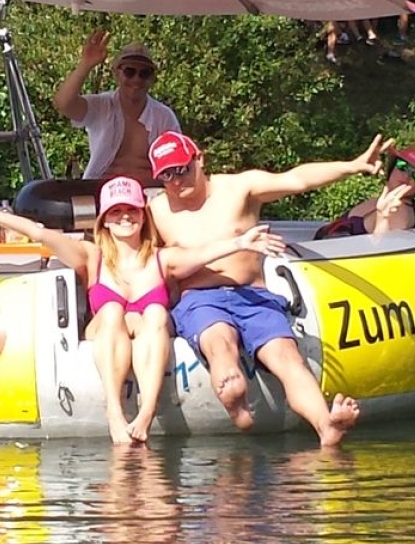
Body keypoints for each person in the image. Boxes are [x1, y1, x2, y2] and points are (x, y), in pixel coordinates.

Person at [0, 176, 285, 444]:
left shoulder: (162, 258)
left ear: (142, 216)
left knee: (155, 314)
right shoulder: (91, 255)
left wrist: (241, 242)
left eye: (132, 210)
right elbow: (40, 233)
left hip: (150, 330)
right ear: (105, 220)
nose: (125, 217)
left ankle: (146, 412)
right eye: (116, 211)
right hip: (107, 330)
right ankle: (114, 411)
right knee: (112, 312)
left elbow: (206, 253)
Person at [144, 130, 394, 447]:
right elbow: (129, 249)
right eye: (166, 176)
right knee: (219, 343)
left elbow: (297, 179)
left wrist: (351, 166)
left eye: (181, 169)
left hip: (253, 294)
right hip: (201, 300)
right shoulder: (158, 210)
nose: (176, 181)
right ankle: (234, 400)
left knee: (286, 356)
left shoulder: (239, 188)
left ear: (199, 159)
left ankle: (326, 425)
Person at [51, 29, 181, 185]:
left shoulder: (164, 116)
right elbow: (63, 104)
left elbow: (177, 165)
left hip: (149, 194)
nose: (136, 79)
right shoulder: (101, 106)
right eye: (129, 72)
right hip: (101, 192)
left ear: (152, 78)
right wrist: (86, 64)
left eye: (144, 73)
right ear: (117, 73)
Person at [314, 140, 415, 238]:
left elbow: (380, 252)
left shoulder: (399, 213)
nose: (407, 176)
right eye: (403, 166)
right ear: (393, 167)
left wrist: (383, 218)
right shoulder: (383, 201)